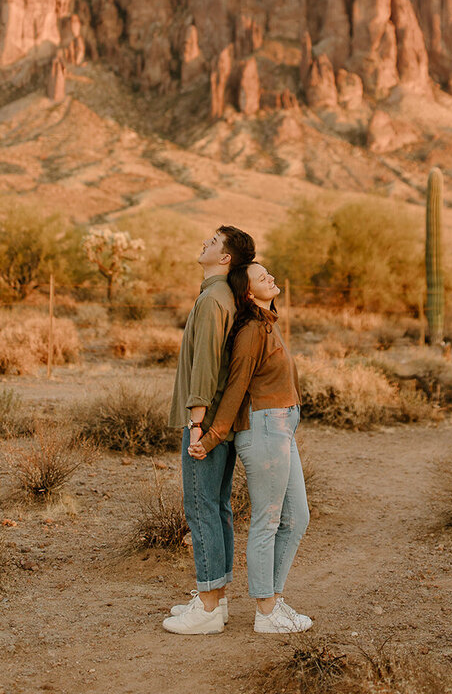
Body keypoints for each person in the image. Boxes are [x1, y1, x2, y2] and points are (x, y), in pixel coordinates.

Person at [188, 262, 312, 634]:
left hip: (280, 427)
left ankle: (272, 597)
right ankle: (266, 611)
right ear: (248, 293)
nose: (271, 277)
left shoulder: (267, 323)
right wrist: (210, 436)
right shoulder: (252, 330)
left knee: (297, 517)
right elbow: (236, 388)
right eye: (262, 278)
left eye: (269, 273)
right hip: (262, 428)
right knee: (268, 520)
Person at [163, 225, 256, 635]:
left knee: (201, 508)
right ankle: (214, 600)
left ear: (225, 259)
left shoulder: (214, 299)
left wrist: (197, 424)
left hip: (207, 421)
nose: (205, 241)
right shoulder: (222, 297)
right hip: (224, 422)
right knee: (217, 509)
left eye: (214, 241)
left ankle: (207, 607)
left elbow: (206, 368)